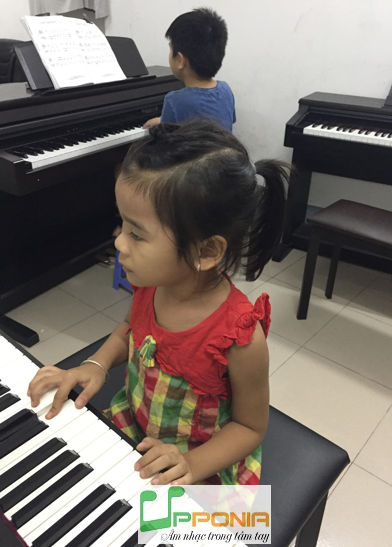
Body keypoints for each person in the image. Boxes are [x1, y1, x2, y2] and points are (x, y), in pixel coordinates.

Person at [28, 120, 289, 486]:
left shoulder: (239, 336)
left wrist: (191, 464)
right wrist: (96, 364)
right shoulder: (152, 285)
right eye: (122, 224)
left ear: (206, 251)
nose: (119, 242)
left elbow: (250, 427)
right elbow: (129, 328)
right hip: (137, 425)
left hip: (200, 459)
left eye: (137, 234)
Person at [143, 8, 236, 131]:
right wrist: (162, 120)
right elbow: (209, 120)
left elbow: (166, 137)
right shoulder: (226, 90)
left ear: (180, 60)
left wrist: (163, 121)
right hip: (221, 144)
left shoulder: (175, 100)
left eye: (171, 49)